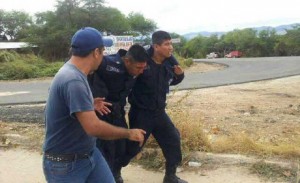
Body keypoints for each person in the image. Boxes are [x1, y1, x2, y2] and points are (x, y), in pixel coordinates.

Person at [42, 27, 146, 183]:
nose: (104, 55)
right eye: (103, 50)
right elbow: (93, 127)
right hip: (65, 164)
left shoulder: (75, 73)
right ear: (96, 52)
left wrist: (88, 104)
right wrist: (128, 133)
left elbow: (62, 104)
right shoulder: (73, 80)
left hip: (89, 154)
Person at [121, 30, 188, 183]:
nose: (170, 48)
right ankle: (115, 172)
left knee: (173, 139)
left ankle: (170, 176)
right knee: (133, 147)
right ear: (156, 46)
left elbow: (169, 81)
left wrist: (180, 75)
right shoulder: (142, 62)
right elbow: (127, 81)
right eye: (166, 44)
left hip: (159, 112)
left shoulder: (169, 63)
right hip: (141, 113)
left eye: (170, 43)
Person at [88, 44, 148, 183]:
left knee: (122, 148)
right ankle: (108, 178)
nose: (141, 71)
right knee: (105, 150)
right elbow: (79, 68)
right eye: (138, 68)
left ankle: (115, 173)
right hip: (101, 113)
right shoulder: (108, 63)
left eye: (143, 68)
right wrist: (89, 100)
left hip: (118, 112)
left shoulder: (139, 68)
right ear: (127, 61)